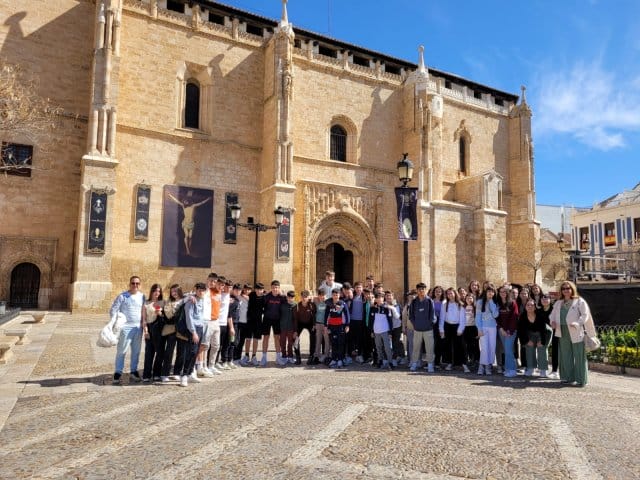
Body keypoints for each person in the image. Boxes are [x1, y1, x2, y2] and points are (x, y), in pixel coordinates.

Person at [549, 281, 596, 387]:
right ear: (561, 291)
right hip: (562, 331)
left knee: (579, 355)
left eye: (568, 288)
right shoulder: (558, 303)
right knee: (565, 355)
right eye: (563, 289)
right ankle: (567, 378)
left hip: (575, 330)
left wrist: (578, 323)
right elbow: (552, 315)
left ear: (572, 289)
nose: (566, 290)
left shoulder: (579, 301)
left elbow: (585, 315)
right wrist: (552, 321)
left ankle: (581, 380)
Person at [111, 276, 146, 385]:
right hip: (125, 328)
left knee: (136, 351)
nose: (135, 285)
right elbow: (113, 310)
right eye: (133, 283)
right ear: (129, 284)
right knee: (122, 351)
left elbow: (144, 311)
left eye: (137, 283)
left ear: (140, 285)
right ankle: (118, 372)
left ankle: (133, 371)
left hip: (138, 328)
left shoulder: (142, 297)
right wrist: (117, 323)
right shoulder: (123, 296)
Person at [175, 282, 207, 387]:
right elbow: (189, 318)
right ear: (195, 290)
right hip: (193, 329)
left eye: (203, 291)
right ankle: (184, 375)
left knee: (196, 352)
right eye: (199, 290)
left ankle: (190, 374)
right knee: (191, 352)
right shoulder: (190, 301)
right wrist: (193, 332)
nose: (201, 292)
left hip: (200, 327)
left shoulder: (202, 300)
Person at [439, 288, 468, 372]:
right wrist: (441, 329)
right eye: (448, 294)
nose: (450, 295)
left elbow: (463, 319)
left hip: (457, 326)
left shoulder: (460, 304)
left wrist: (460, 329)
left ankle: (462, 363)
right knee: (448, 345)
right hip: (447, 326)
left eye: (451, 293)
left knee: (460, 345)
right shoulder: (445, 304)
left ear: (455, 294)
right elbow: (442, 317)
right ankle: (449, 363)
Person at [518, 298, 549, 377]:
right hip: (529, 335)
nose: (530, 306)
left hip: (541, 334)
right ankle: (530, 368)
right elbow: (521, 331)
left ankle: (543, 370)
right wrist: (527, 340)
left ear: (535, 307)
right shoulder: (522, 316)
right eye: (528, 305)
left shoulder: (540, 315)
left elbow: (544, 330)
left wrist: (542, 341)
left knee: (541, 348)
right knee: (529, 347)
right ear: (525, 307)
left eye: (532, 305)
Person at [409, 282, 436, 373]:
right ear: (417, 290)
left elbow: (432, 315)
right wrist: (415, 324)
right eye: (419, 289)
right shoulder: (414, 301)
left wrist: (430, 324)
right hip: (417, 329)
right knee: (416, 347)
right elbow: (411, 315)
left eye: (423, 289)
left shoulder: (429, 301)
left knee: (429, 347)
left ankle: (430, 364)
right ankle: (414, 363)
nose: (421, 291)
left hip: (428, 329)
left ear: (425, 290)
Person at [159, 284, 183, 382]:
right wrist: (179, 317)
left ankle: (177, 372)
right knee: (169, 352)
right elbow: (169, 316)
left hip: (182, 330)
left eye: (176, 291)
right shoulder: (168, 302)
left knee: (181, 352)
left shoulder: (184, 301)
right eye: (172, 291)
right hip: (171, 330)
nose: (174, 293)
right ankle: (165, 373)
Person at [142, 284, 165, 382]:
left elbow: (167, 316)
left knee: (160, 353)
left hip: (159, 329)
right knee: (149, 352)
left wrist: (160, 314)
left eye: (159, 291)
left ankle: (157, 373)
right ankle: (146, 375)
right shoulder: (146, 303)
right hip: (150, 328)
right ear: (151, 291)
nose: (157, 293)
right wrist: (146, 331)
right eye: (155, 290)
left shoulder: (163, 302)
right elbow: (144, 320)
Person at [261, 280, 286, 366]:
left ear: (279, 288)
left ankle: (278, 358)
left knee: (277, 338)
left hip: (277, 320)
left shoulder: (282, 297)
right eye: (273, 287)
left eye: (276, 287)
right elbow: (262, 307)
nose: (275, 289)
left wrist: (283, 294)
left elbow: (286, 305)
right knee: (266, 337)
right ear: (271, 288)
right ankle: (264, 357)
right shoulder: (267, 297)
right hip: (267, 319)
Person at [496, 285, 519, 378]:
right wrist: (501, 329)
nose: (502, 293)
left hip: (511, 331)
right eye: (501, 292)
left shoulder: (512, 303)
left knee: (509, 350)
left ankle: (512, 370)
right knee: (506, 350)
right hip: (501, 331)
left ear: (507, 293)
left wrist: (509, 331)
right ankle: (507, 369)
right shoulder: (498, 303)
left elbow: (514, 317)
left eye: (504, 291)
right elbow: (497, 318)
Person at [476, 284, 499, 375]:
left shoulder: (495, 302)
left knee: (491, 347)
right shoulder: (480, 302)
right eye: (489, 291)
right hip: (483, 327)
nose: (490, 293)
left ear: (494, 293)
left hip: (493, 327)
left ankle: (488, 365)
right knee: (484, 347)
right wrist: (479, 329)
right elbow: (478, 316)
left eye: (492, 291)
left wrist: (491, 302)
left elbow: (495, 315)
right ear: (485, 292)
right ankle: (482, 366)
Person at [324, 288, 350, 368]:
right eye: (334, 295)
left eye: (337, 295)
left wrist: (347, 325)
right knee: (333, 343)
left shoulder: (342, 303)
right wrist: (326, 326)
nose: (335, 296)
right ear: (332, 295)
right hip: (332, 327)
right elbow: (326, 315)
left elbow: (347, 315)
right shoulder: (329, 304)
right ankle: (334, 359)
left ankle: (340, 359)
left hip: (340, 327)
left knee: (340, 343)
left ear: (339, 295)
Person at [369, 292, 394, 369]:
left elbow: (390, 320)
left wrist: (390, 332)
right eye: (378, 298)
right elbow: (371, 321)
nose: (379, 299)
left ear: (383, 298)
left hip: (385, 331)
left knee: (387, 348)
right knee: (378, 347)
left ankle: (390, 362)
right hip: (376, 331)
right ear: (375, 299)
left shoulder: (387, 308)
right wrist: (372, 331)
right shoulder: (373, 308)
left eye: (381, 297)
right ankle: (380, 361)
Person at [243, 283, 265, 366]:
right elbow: (242, 293)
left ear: (263, 290)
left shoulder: (264, 298)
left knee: (256, 339)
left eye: (261, 290)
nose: (259, 291)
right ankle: (246, 355)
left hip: (258, 321)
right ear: (255, 289)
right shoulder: (251, 295)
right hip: (249, 321)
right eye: (258, 289)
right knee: (248, 339)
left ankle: (254, 356)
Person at [293, 289, 316, 365]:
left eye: (306, 297)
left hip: (309, 323)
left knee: (313, 336)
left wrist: (314, 325)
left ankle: (311, 356)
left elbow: (314, 316)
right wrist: (295, 331)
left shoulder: (312, 305)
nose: (304, 298)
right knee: (295, 338)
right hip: (300, 323)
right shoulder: (297, 306)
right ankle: (298, 357)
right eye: (303, 296)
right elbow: (295, 319)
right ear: (300, 297)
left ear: (308, 297)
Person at [312, 289, 330, 364]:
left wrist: (328, 325)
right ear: (318, 295)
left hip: (325, 324)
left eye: (323, 295)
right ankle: (317, 355)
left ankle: (326, 355)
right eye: (320, 295)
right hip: (318, 323)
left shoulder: (328, 302)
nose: (322, 297)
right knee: (318, 340)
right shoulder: (316, 301)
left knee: (326, 340)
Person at [462, 293, 479, 370]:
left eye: (471, 298)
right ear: (465, 299)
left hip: (473, 327)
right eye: (468, 298)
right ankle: (469, 360)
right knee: (467, 345)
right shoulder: (463, 307)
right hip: (465, 328)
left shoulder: (475, 307)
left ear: (473, 299)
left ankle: (476, 360)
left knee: (475, 345)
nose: (469, 299)